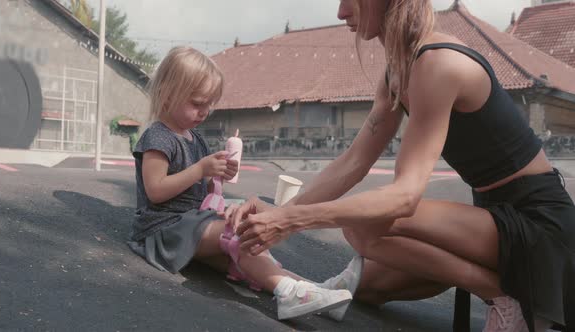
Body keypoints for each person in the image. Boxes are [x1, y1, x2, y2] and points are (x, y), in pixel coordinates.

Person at [228, 1, 574, 331]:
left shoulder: (438, 63)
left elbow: (405, 196)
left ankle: (507, 298)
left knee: (363, 228)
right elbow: (353, 163)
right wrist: (276, 214)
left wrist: (290, 221)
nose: (341, 11)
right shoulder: (397, 70)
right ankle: (503, 291)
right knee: (363, 288)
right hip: (491, 223)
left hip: (539, 228)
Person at [127, 46, 352, 321]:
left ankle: (312, 290)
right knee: (241, 234)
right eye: (197, 103)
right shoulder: (158, 138)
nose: (204, 112)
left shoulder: (194, 138)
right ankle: (290, 292)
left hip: (190, 223)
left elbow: (200, 190)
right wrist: (200, 169)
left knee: (245, 249)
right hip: (165, 228)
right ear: (167, 94)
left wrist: (216, 178)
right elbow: (157, 191)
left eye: (210, 104)